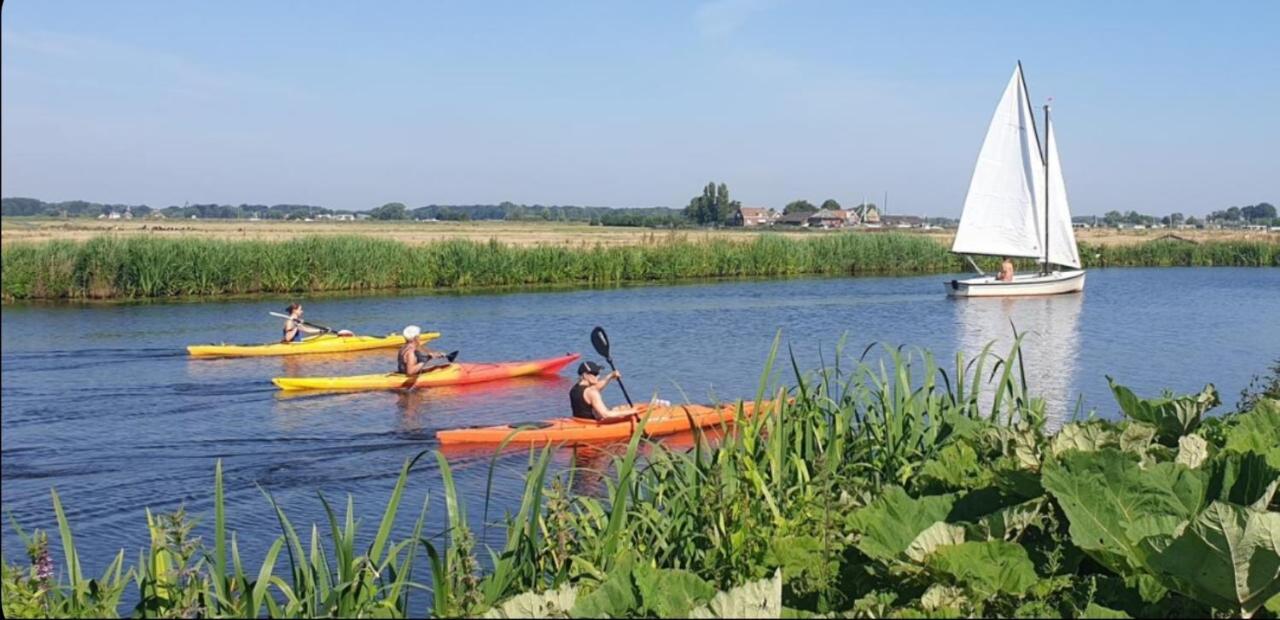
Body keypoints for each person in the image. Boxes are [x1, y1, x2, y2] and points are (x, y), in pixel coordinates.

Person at [570, 361, 638, 423]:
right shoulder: (592, 393)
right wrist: (631, 411)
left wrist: (610, 376)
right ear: (585, 375)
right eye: (595, 374)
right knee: (622, 412)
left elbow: (597, 387)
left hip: (579, 421)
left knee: (617, 409)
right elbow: (605, 414)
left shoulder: (574, 389)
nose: (598, 376)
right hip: (592, 424)